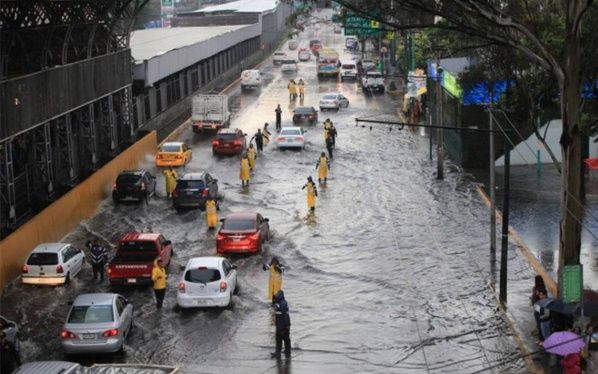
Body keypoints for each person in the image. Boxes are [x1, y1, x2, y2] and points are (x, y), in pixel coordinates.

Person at [271, 290, 291, 359]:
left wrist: (285, 325)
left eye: (277, 294)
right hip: (286, 324)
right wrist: (288, 325)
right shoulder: (284, 302)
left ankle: (278, 352)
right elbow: (274, 306)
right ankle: (287, 351)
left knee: (279, 339)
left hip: (281, 325)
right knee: (286, 339)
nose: (276, 295)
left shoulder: (280, 304)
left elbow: (284, 314)